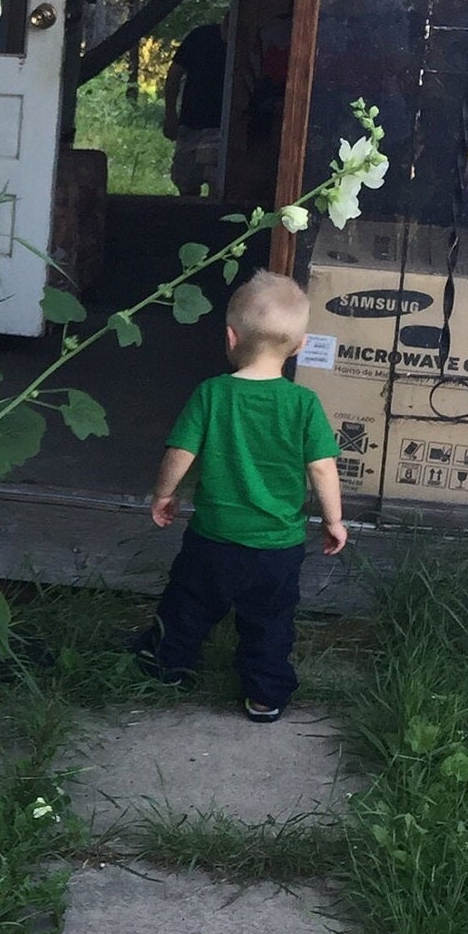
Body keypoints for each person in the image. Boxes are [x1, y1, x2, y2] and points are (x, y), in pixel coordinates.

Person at [135, 270, 347, 722]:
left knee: (187, 604)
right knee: (270, 624)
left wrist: (163, 494)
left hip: (214, 538)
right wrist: (334, 520)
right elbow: (322, 467)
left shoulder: (212, 394)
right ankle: (265, 696)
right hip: (277, 548)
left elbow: (180, 452)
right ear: (300, 346)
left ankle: (168, 665)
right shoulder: (303, 404)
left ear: (230, 337)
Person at [161, 19, 228, 197]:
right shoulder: (200, 37)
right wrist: (170, 115)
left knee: (219, 185)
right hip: (191, 125)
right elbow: (174, 75)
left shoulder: (245, 43)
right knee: (185, 182)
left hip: (224, 127)